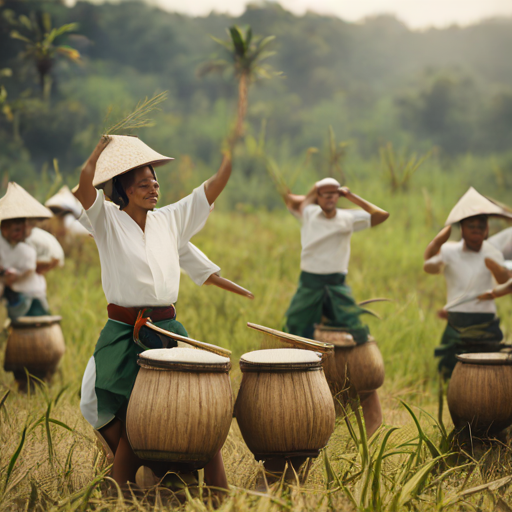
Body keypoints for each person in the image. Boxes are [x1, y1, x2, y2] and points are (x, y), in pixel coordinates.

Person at [75, 134, 233, 489]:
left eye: (155, 181)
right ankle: (133, 481)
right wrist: (99, 153)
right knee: (117, 405)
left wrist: (230, 155)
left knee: (196, 403)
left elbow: (209, 190)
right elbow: (84, 186)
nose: (154, 188)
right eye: (144, 183)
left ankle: (213, 488)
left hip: (167, 329)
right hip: (122, 330)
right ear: (125, 191)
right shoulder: (106, 220)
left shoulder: (170, 219)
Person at [283, 177, 389, 437]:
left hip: (337, 285)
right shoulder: (308, 213)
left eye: (334, 194)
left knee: (357, 331)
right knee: (293, 329)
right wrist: (316, 187)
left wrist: (351, 196)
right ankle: (301, 393)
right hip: (309, 285)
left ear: (338, 196)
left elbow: (381, 215)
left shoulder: (348, 217)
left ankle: (367, 404)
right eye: (324, 194)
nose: (329, 198)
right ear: (317, 196)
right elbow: (293, 199)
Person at [423, 187, 511, 378]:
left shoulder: (492, 252)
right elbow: (429, 267)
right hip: (457, 321)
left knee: (490, 372)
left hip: (485, 321)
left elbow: (505, 281)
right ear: (462, 229)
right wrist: (436, 243)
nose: (477, 231)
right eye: (472, 226)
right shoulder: (449, 251)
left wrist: (496, 269)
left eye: (481, 226)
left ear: (487, 229)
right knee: (452, 372)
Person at [0, 183, 53, 319]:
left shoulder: (28, 249)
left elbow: (29, 270)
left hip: (31, 296)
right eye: (16, 230)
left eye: (22, 229)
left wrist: (15, 276)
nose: (21, 234)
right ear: (4, 228)